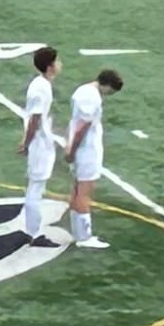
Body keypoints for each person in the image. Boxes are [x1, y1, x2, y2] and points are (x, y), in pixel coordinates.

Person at [66, 69, 124, 249]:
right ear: (107, 85)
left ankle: (78, 232)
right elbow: (83, 127)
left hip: (81, 149)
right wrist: (72, 150)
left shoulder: (82, 90)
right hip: (87, 150)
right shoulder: (92, 98)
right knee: (84, 192)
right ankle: (84, 237)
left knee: (77, 190)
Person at [18, 46, 61, 247]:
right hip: (39, 144)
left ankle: (32, 229)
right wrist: (26, 143)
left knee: (36, 187)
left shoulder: (41, 84)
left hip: (40, 142)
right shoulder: (41, 87)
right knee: (35, 188)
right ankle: (34, 232)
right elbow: (35, 118)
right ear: (50, 65)